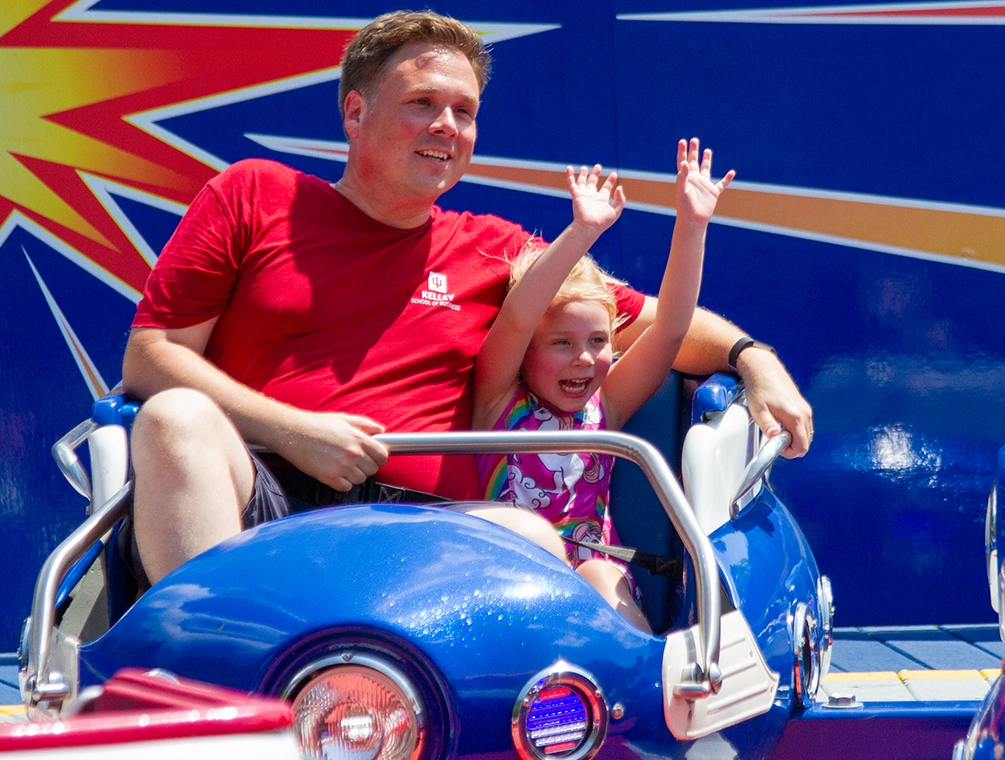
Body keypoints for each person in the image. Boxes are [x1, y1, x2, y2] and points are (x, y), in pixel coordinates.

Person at [121, 9, 814, 590]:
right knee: (175, 417)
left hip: (429, 543)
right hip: (262, 511)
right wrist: (292, 431)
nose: (447, 125)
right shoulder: (253, 194)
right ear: (355, 113)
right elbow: (150, 359)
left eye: (464, 111)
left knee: (532, 538)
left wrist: (756, 361)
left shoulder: (495, 249)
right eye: (422, 103)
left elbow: (660, 325)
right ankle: (217, 694)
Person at [474, 141, 732, 631]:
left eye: (597, 340)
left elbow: (672, 326)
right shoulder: (497, 402)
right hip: (509, 583)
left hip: (595, 582)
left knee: (596, 572)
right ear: (527, 349)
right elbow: (515, 321)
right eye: (561, 343)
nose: (585, 358)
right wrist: (582, 232)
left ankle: (643, 682)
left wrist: (692, 224)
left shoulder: (604, 405)